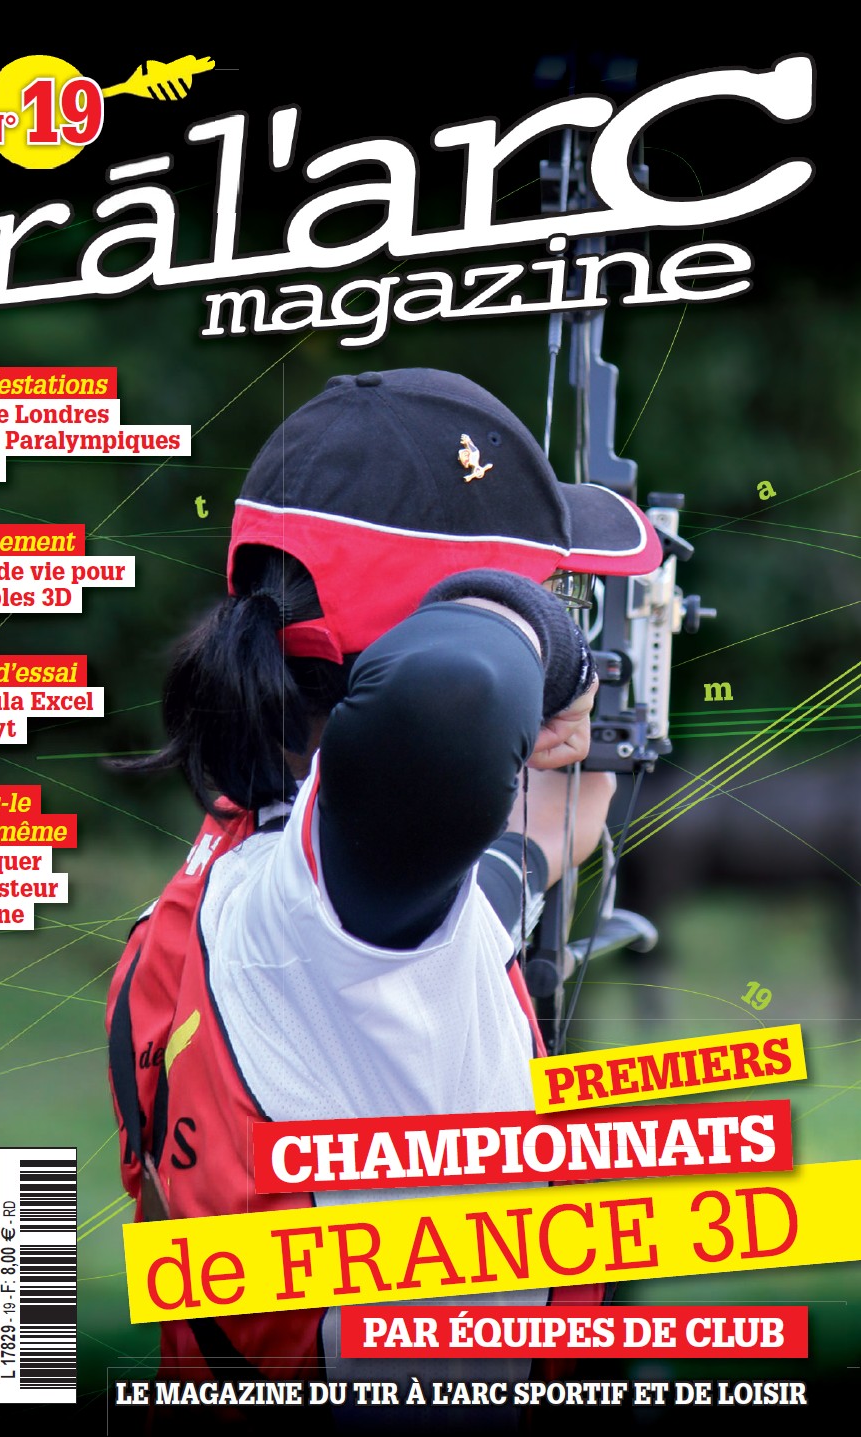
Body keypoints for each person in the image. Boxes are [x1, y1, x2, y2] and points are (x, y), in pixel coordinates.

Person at [106, 368, 663, 1400]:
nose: (566, 620)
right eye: (547, 595)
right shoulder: (321, 921)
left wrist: (532, 850)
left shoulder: (264, 862)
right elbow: (454, 699)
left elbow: (419, 957)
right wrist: (559, 660)